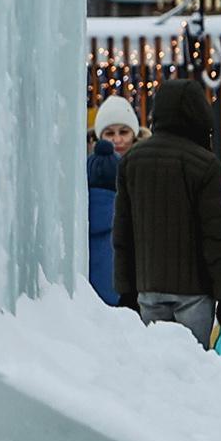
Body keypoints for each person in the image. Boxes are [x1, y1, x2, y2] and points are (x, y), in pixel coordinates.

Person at [114, 75, 221, 349]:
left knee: (156, 374)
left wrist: (126, 290)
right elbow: (214, 236)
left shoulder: (132, 161)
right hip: (195, 294)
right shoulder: (204, 165)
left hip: (148, 289)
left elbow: (123, 233)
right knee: (192, 374)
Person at [86, 95, 141, 305]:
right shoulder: (91, 171)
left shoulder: (146, 170)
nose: (117, 139)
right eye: (110, 133)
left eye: (123, 132)